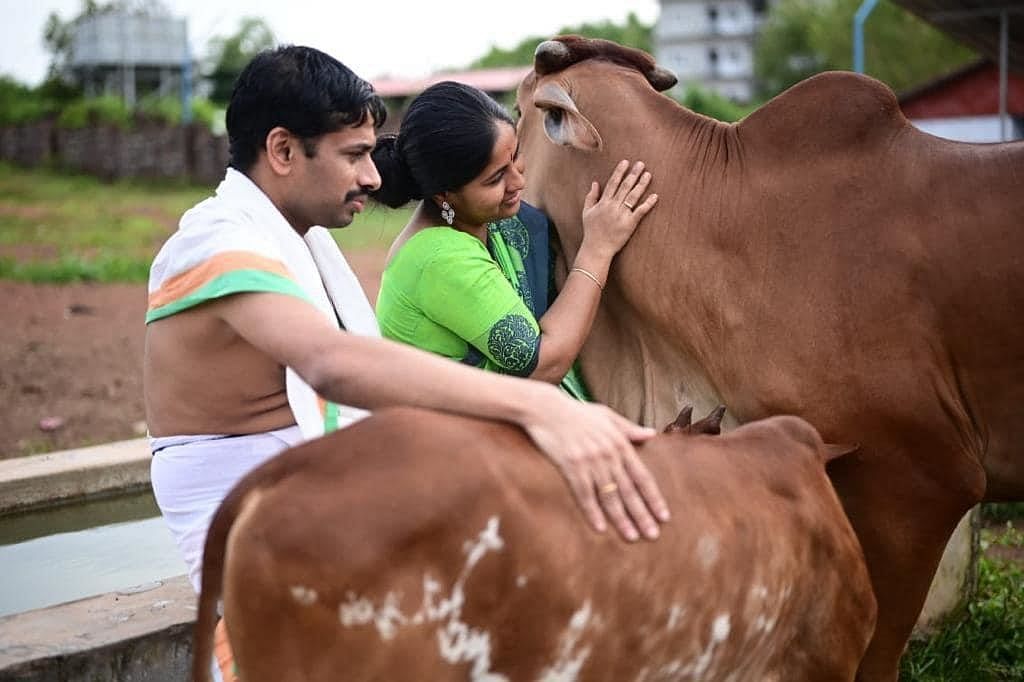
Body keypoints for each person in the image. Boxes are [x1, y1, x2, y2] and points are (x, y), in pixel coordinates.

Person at [144, 46, 670, 611]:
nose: (373, 177)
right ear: (283, 150)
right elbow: (330, 363)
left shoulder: (301, 239)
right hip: (249, 506)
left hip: (314, 487)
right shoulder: (218, 241)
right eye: (354, 156)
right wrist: (537, 406)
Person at [372, 81, 657, 400]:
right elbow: (543, 365)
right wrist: (597, 249)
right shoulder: (439, 257)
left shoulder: (485, 221)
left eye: (516, 156)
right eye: (495, 178)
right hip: (452, 439)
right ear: (444, 195)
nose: (518, 181)